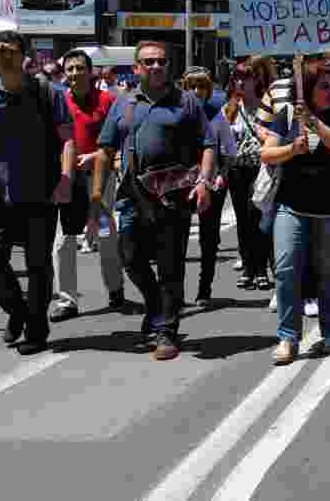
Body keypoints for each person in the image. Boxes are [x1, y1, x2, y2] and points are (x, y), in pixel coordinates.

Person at [95, 40, 216, 361]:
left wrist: (204, 181)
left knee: (170, 265)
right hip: (133, 195)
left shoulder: (186, 101)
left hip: (174, 195)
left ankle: (167, 330)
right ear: (136, 68)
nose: (156, 66)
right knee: (130, 257)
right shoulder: (123, 103)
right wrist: (96, 195)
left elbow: (208, 143)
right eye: (148, 62)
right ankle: (155, 305)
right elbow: (106, 150)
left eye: (161, 61)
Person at [263, 59, 330, 366]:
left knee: (328, 273)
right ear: (307, 88)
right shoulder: (287, 115)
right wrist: (292, 150)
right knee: (287, 267)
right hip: (292, 206)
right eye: (323, 86)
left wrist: (315, 123)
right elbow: (268, 153)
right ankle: (288, 337)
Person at [0, 30, 75, 355]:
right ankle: (17, 311)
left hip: (41, 192)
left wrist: (66, 177)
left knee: (38, 264)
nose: (3, 55)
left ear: (24, 57)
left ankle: (36, 329)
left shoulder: (47, 93)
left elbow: (67, 139)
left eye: (10, 50)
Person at [48, 49, 126, 323]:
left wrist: (96, 157)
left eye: (80, 68)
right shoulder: (57, 101)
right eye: (69, 69)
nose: (74, 73)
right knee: (64, 241)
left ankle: (115, 289)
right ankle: (67, 300)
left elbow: (118, 141)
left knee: (106, 236)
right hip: (68, 181)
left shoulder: (108, 101)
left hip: (100, 181)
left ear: (90, 72)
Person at [181, 67, 236, 305]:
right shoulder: (177, 113)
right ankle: (175, 293)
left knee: (209, 236)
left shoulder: (217, 114)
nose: (197, 91)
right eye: (192, 86)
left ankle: (205, 289)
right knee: (177, 238)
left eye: (201, 86)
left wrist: (222, 174)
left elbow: (230, 150)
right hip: (181, 183)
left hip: (212, 183)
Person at [226, 57, 277, 292]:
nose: (239, 82)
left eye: (244, 77)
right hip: (237, 169)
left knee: (259, 220)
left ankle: (261, 270)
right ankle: (248, 268)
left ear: (255, 79)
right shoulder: (230, 108)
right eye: (235, 77)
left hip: (261, 168)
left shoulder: (266, 106)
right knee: (243, 221)